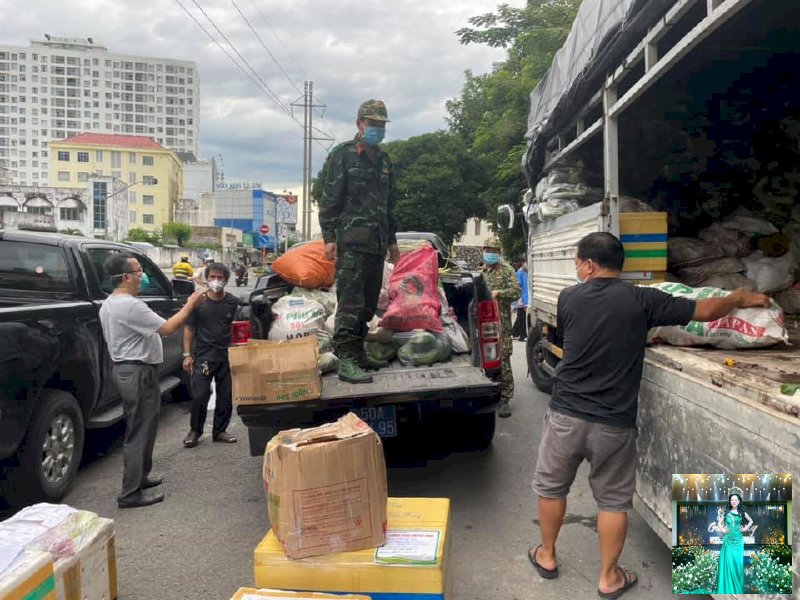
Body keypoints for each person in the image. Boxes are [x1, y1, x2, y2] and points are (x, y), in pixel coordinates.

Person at [528, 232, 770, 598]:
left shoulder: (569, 297)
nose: (578, 269)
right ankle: (609, 578)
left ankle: (546, 555)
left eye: (578, 262)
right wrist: (738, 297)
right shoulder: (643, 299)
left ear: (590, 265)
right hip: (614, 422)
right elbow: (704, 312)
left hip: (566, 415)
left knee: (552, 487)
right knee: (612, 502)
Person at [99, 253, 205, 508]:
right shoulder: (129, 305)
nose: (142, 275)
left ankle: (141, 476)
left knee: (146, 426)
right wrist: (189, 305)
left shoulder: (112, 303)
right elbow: (168, 328)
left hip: (133, 370)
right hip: (137, 372)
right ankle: (130, 492)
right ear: (125, 277)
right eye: (137, 271)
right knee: (139, 431)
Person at [318, 99, 399, 384]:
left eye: (381, 124)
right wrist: (329, 238)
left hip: (376, 246)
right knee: (350, 305)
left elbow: (389, 206)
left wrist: (392, 242)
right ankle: (346, 359)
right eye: (372, 123)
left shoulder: (385, 161)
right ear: (359, 124)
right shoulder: (343, 156)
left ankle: (359, 351)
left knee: (367, 306)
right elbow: (329, 201)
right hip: (352, 245)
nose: (377, 128)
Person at [182, 262, 240, 448]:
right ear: (207, 279)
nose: (216, 281)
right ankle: (195, 431)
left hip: (226, 356)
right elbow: (189, 329)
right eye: (213, 277)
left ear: (226, 280)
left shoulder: (232, 302)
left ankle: (220, 431)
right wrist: (187, 354)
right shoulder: (199, 302)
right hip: (203, 356)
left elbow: (238, 329)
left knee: (226, 395)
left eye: (220, 278)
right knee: (199, 395)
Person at [481, 237, 520, 418]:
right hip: (484, 325)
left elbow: (516, 292)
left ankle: (505, 399)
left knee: (503, 359)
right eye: (488, 250)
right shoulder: (482, 271)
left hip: (502, 324)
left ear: (499, 253)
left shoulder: (507, 271)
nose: (491, 253)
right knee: (485, 360)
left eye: (494, 251)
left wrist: (499, 293)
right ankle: (489, 393)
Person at [716, 490, 753, 594]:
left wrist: (745, 529)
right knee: (728, 563)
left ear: (739, 501)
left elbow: (751, 521)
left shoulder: (742, 512)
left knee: (737, 564)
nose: (734, 501)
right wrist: (723, 530)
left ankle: (737, 589)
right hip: (728, 540)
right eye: (732, 500)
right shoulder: (726, 512)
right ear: (730, 501)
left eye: (735, 500)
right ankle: (728, 588)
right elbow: (719, 523)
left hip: (738, 541)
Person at [512, 260, 528, 341]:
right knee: (521, 318)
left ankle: (514, 333)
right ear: (522, 264)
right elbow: (519, 286)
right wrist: (520, 299)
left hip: (525, 297)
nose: (527, 264)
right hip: (521, 298)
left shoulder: (525, 272)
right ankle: (522, 335)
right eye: (526, 263)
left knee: (520, 317)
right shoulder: (519, 273)